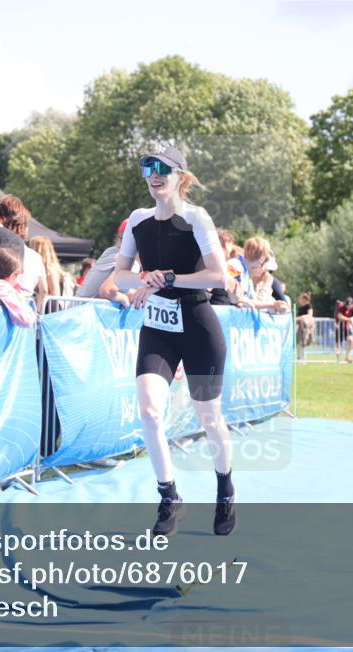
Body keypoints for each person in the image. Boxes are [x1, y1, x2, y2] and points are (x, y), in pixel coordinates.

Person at [112, 144, 235, 536]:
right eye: (147, 167)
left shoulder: (197, 218)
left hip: (198, 325)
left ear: (180, 176)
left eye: (162, 168)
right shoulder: (138, 220)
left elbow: (218, 276)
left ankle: (225, 490)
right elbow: (120, 276)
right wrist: (143, 278)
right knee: (149, 410)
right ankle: (169, 496)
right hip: (158, 327)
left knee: (209, 417)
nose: (154, 174)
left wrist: (168, 278)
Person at [0, 196, 47, 312]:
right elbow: (44, 290)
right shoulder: (36, 257)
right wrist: (38, 310)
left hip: (4, 306)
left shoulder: (4, 253)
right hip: (25, 306)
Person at [234, 237, 288, 313]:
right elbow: (235, 299)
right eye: (263, 266)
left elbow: (254, 303)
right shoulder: (235, 267)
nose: (266, 273)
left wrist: (272, 305)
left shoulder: (246, 275)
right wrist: (266, 285)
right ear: (261, 259)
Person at [208, 228, 239, 306]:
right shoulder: (213, 265)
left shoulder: (229, 267)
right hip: (215, 307)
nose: (232, 247)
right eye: (231, 243)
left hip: (222, 307)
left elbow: (235, 297)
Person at [335, 297, 353, 363]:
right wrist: (349, 320)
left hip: (347, 326)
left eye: (350, 305)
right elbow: (340, 316)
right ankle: (338, 359)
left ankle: (347, 356)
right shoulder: (341, 306)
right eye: (348, 305)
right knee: (338, 343)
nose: (349, 307)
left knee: (351, 340)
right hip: (339, 325)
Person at [295, 292, 314, 362]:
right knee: (298, 341)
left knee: (303, 341)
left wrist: (301, 318)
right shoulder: (300, 308)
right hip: (299, 326)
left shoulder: (309, 306)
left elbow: (310, 315)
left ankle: (303, 357)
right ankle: (299, 357)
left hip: (306, 326)